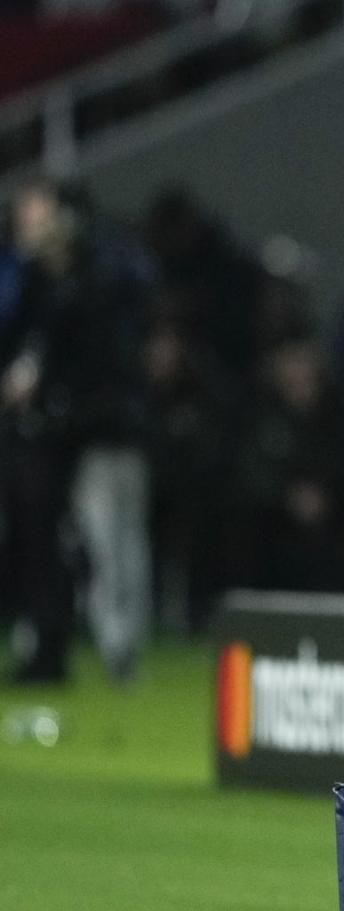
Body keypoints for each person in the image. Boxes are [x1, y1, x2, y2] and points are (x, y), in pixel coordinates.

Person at [2, 179, 154, 685]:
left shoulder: (100, 269)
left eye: (37, 211)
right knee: (52, 540)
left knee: (110, 539)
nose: (29, 222)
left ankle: (120, 648)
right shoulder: (32, 277)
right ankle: (48, 640)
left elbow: (110, 352)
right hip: (55, 431)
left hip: (105, 430)